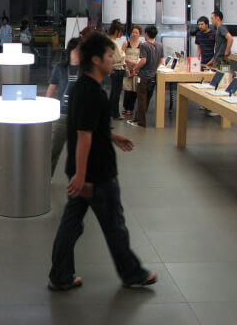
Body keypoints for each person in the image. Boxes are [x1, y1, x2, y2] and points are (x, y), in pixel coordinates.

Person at [47, 32, 156, 291]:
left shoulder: (84, 88)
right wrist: (83, 176)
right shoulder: (92, 93)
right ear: (96, 60)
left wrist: (113, 136)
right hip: (96, 174)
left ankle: (60, 276)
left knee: (72, 225)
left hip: (83, 172)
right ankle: (132, 273)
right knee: (114, 226)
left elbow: (89, 128)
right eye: (110, 56)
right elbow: (84, 136)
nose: (114, 60)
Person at [46, 37, 80, 177]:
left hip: (79, 116)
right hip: (62, 115)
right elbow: (52, 89)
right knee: (53, 150)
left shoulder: (87, 69)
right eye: (78, 50)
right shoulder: (60, 67)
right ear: (71, 51)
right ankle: (45, 178)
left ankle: (77, 180)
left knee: (78, 153)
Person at [128, 25, 163, 128]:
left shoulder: (144, 45)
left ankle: (141, 122)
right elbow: (161, 61)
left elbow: (143, 60)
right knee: (147, 99)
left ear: (146, 34)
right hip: (153, 76)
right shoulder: (159, 45)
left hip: (143, 77)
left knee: (141, 99)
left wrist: (135, 68)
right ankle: (137, 119)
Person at [121, 25, 142, 117]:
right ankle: (125, 107)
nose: (134, 34)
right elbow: (122, 55)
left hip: (136, 68)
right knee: (127, 88)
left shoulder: (141, 44)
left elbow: (141, 57)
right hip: (127, 67)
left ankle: (130, 108)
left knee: (134, 89)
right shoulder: (126, 43)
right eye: (133, 32)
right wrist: (129, 61)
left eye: (136, 32)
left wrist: (137, 65)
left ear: (139, 34)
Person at [107, 21, 125, 120]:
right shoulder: (113, 42)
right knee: (116, 93)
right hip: (117, 69)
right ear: (117, 31)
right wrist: (123, 54)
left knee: (114, 92)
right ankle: (115, 113)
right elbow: (119, 56)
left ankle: (112, 112)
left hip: (116, 69)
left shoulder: (112, 41)